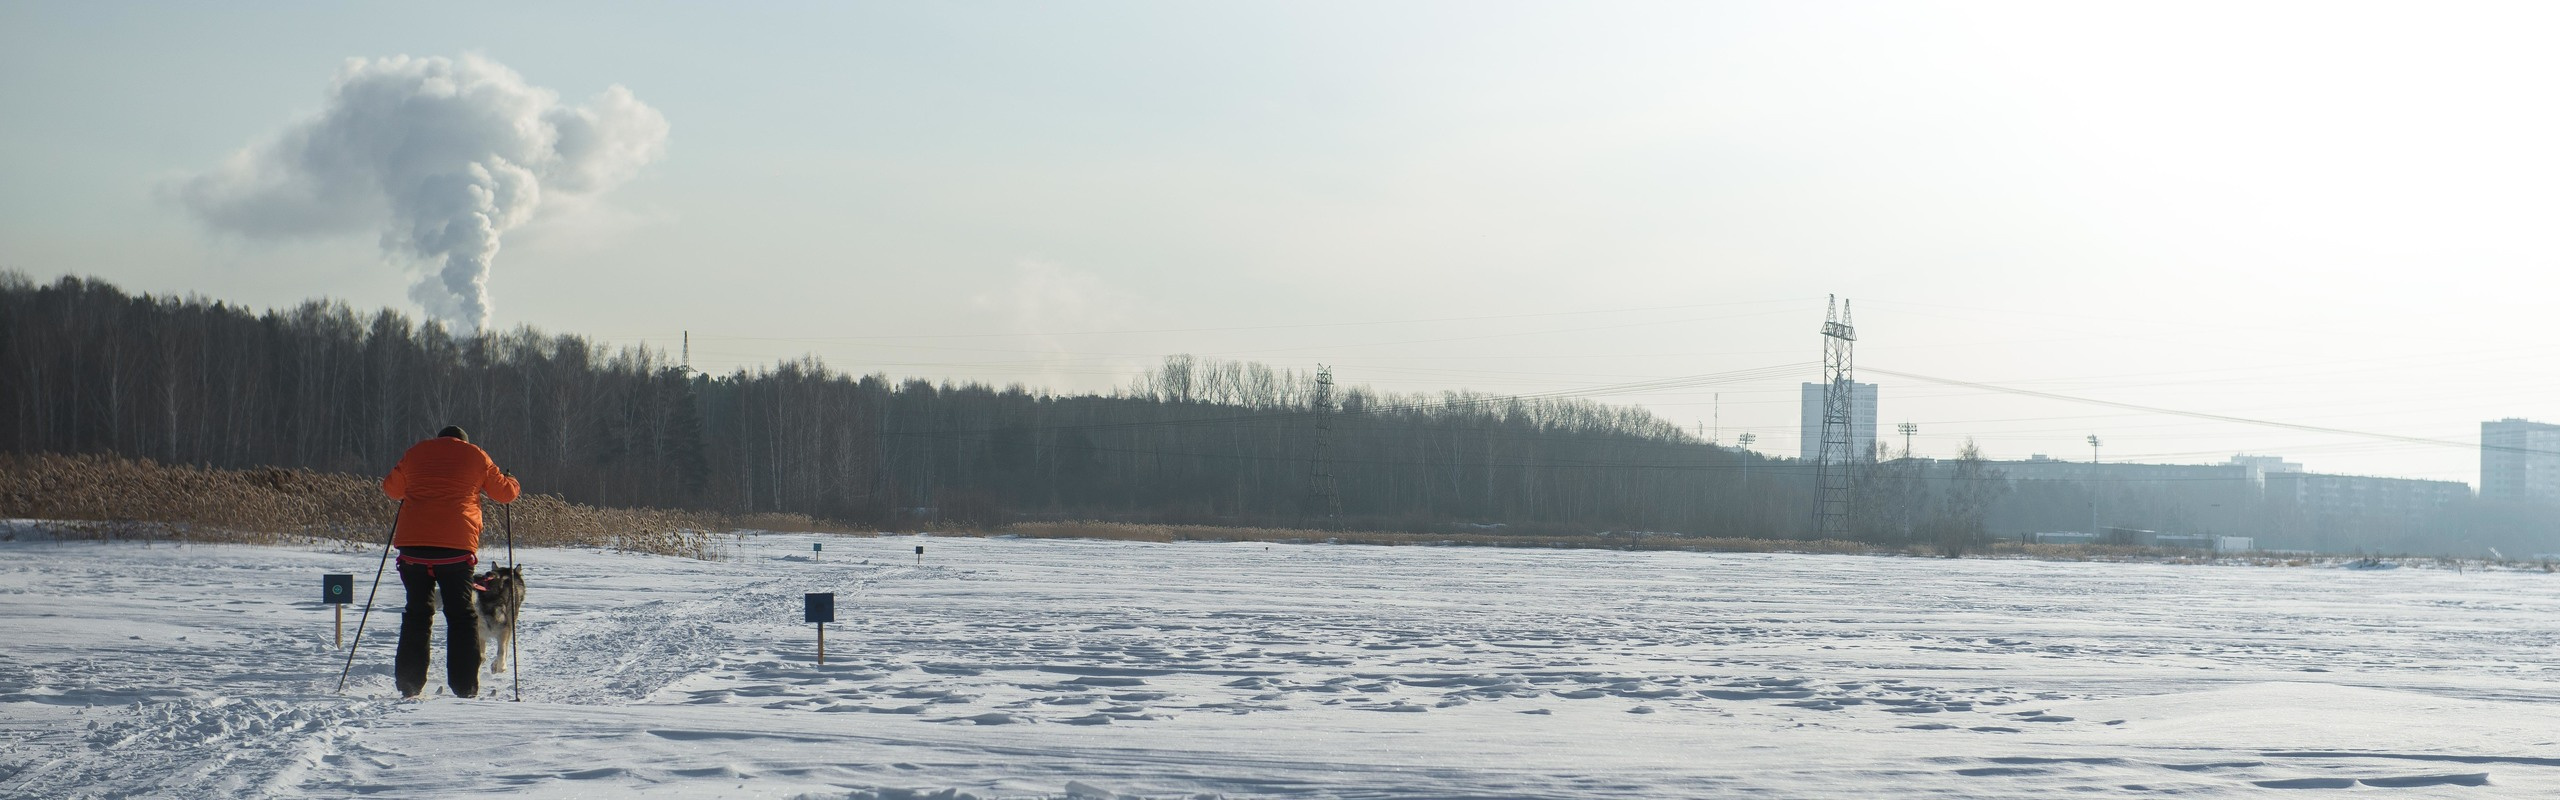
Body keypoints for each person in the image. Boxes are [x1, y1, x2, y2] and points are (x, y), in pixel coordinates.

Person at [382, 425, 521, 699]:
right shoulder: (476, 456)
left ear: (440, 439)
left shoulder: (416, 453)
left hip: (414, 550)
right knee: (461, 615)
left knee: (416, 613)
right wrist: (512, 479)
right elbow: (506, 494)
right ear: (464, 441)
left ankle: (409, 683)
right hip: (456, 550)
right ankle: (465, 685)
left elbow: (391, 489)